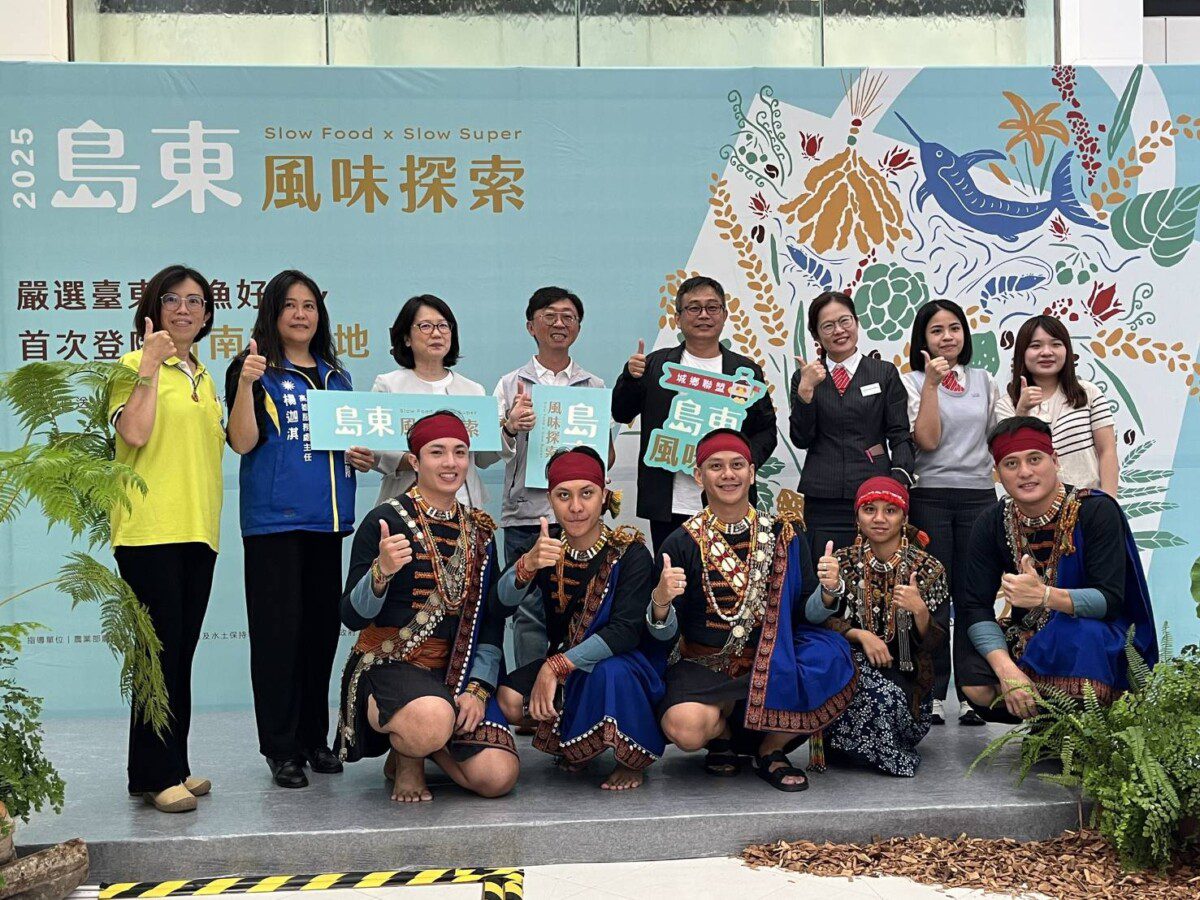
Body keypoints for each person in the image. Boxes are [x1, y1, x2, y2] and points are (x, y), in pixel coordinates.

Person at [226, 269, 375, 789]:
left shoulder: (338, 376)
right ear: (272, 311)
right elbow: (242, 442)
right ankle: (281, 748)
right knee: (277, 639)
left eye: (309, 305)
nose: (300, 314)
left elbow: (348, 446)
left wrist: (359, 453)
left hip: (327, 522)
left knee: (317, 637)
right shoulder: (255, 370)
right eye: (290, 305)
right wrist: (245, 383)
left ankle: (315, 739)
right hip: (273, 525)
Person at [648, 429, 856, 793]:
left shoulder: (783, 533)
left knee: (831, 655)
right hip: (705, 665)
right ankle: (723, 734)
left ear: (752, 472)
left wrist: (828, 592)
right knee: (685, 728)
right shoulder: (680, 542)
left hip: (774, 659)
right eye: (716, 466)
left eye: (737, 465)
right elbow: (661, 634)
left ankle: (770, 748)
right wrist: (661, 602)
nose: (728, 474)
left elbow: (808, 615)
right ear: (699, 476)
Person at [334, 412, 519, 803]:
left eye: (460, 452)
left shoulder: (480, 530)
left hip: (458, 670)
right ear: (415, 462)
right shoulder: (384, 520)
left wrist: (478, 688)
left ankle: (426, 745)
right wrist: (380, 574)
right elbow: (351, 615)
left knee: (497, 778)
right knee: (430, 720)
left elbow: (490, 619)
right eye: (437, 453)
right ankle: (408, 755)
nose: (450, 463)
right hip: (392, 663)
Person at [109, 264, 223, 814]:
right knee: (157, 655)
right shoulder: (132, 364)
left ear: (205, 315)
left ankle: (165, 765)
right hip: (148, 532)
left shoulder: (204, 374)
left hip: (198, 530)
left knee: (180, 654)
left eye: (195, 301)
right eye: (173, 299)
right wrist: (151, 364)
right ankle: (158, 775)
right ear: (152, 307)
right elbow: (133, 433)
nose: (184, 309)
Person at [957, 417, 1157, 722]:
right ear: (998, 474)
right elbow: (975, 605)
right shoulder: (992, 522)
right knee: (975, 678)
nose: (1025, 472)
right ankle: (1044, 721)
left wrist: (1045, 596)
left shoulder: (1096, 511)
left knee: (1078, 634)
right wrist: (1006, 670)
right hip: (1031, 635)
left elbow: (1109, 600)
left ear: (1055, 460)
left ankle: (1080, 733)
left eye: (1034, 459)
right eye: (1011, 464)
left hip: (1096, 632)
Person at [489, 447, 665, 791]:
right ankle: (575, 740)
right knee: (510, 700)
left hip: (623, 663)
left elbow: (625, 633)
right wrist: (526, 566)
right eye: (563, 495)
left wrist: (555, 666)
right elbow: (498, 607)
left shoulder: (630, 552)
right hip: (571, 661)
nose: (576, 507)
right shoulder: (547, 548)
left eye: (587, 493)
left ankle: (629, 759)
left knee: (609, 672)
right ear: (550, 500)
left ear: (604, 495)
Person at [612, 275, 777, 555]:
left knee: (729, 583)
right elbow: (621, 412)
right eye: (694, 308)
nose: (704, 315)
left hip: (729, 499)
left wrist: (741, 464)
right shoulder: (655, 365)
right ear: (678, 318)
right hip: (671, 503)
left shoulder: (745, 372)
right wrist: (630, 377)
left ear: (724, 315)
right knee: (672, 581)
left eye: (712, 307)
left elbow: (765, 430)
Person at [492, 286, 608, 675]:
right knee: (527, 609)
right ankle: (526, 692)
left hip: (579, 517)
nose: (560, 323)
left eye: (569, 316)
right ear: (531, 326)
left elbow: (604, 457)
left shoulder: (593, 386)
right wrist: (510, 426)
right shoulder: (511, 384)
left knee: (582, 605)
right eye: (550, 315)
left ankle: (569, 691)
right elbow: (492, 451)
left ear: (578, 327)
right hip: (526, 514)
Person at [807, 477, 949, 776]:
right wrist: (860, 635)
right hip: (850, 666)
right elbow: (816, 623)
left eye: (890, 510)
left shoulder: (928, 568)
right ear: (857, 517)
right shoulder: (841, 562)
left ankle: (873, 746)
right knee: (850, 683)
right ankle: (853, 746)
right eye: (870, 509)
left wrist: (919, 610)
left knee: (885, 697)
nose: (880, 519)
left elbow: (935, 645)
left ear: (904, 517)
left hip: (908, 681)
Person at [902, 299, 999, 727]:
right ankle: (933, 693)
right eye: (937, 330)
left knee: (973, 595)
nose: (947, 337)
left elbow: (999, 438)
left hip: (980, 497)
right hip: (931, 497)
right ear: (923, 339)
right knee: (935, 597)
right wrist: (931, 387)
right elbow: (926, 440)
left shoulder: (984, 379)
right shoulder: (911, 382)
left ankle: (972, 693)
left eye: (954, 328)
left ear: (965, 335)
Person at [789, 291, 914, 557]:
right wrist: (806, 392)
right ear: (816, 335)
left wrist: (899, 478)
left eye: (845, 321)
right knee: (825, 574)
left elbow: (900, 433)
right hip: (824, 496)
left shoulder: (884, 373)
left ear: (856, 322)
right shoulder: (806, 377)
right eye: (828, 326)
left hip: (875, 492)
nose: (839, 331)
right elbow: (801, 438)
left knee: (875, 573)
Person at [372, 294, 499, 507]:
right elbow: (375, 450)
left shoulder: (472, 390)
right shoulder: (389, 385)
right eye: (425, 326)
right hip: (407, 505)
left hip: (465, 505)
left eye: (443, 326)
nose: (437, 333)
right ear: (406, 338)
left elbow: (483, 458)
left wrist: (509, 431)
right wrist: (415, 461)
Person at [995, 314, 1117, 495]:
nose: (1046, 352)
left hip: (1088, 502)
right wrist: (1022, 411)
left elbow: (1107, 450)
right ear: (1022, 353)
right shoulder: (1006, 405)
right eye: (1035, 346)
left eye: (1056, 344)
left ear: (1067, 350)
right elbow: (1013, 457)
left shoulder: (1088, 393)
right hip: (1034, 508)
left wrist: (1109, 501)